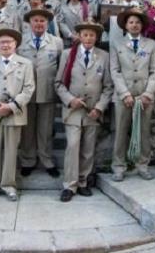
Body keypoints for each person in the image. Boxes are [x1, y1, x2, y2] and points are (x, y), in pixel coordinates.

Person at [55, 21, 112, 202]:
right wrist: (70, 100)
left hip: (92, 111)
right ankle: (69, 185)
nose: (88, 38)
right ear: (79, 36)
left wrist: (99, 107)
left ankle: (83, 182)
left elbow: (108, 87)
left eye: (92, 35)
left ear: (97, 37)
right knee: (72, 146)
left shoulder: (104, 56)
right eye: (85, 35)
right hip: (73, 110)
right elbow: (59, 84)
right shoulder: (67, 55)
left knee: (88, 149)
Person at [0, 28, 35, 201]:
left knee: (11, 150)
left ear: (15, 44)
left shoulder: (25, 64)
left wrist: (11, 106)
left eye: (9, 41)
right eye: (2, 42)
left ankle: (9, 185)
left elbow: (29, 88)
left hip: (14, 113)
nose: (5, 45)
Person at [110, 7, 155, 181]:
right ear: (125, 25)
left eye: (138, 22)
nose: (134, 25)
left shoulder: (151, 44)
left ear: (142, 25)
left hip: (144, 96)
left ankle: (142, 164)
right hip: (124, 96)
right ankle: (118, 166)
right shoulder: (117, 44)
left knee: (144, 131)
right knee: (121, 131)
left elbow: (154, 71)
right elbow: (114, 70)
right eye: (131, 22)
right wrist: (124, 93)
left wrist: (148, 93)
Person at [17, 8, 64, 177]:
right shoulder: (20, 41)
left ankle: (47, 159)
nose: (39, 24)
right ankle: (28, 160)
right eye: (35, 20)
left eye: (42, 21)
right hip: (26, 91)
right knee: (27, 129)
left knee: (46, 128)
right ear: (29, 23)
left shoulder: (56, 42)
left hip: (47, 90)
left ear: (47, 23)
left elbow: (60, 65)